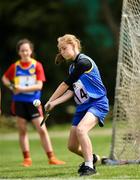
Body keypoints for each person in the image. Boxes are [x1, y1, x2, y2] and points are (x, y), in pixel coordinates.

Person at [44, 34, 109, 176]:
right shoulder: (72, 67)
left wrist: (49, 100)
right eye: (60, 49)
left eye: (64, 48)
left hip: (98, 103)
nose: (62, 52)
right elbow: (72, 91)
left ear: (74, 46)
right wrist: (54, 103)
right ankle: (92, 158)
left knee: (81, 130)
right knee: (72, 146)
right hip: (83, 107)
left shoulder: (84, 63)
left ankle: (89, 167)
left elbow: (64, 84)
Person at [2, 38, 65, 167]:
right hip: (19, 103)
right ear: (19, 52)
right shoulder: (15, 66)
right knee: (22, 130)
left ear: (31, 51)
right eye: (22, 50)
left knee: (42, 130)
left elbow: (39, 86)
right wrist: (12, 87)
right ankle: (27, 159)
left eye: (27, 50)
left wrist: (20, 89)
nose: (25, 53)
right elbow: (4, 78)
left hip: (33, 103)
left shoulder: (37, 65)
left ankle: (51, 157)